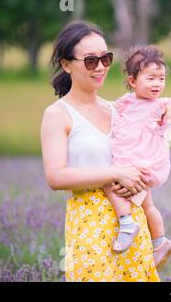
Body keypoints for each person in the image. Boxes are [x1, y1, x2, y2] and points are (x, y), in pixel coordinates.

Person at [40, 20, 159, 281]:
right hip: (89, 225)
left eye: (106, 58)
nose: (101, 67)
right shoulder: (58, 115)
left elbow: (140, 157)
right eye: (91, 61)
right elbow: (55, 177)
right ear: (66, 64)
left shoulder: (118, 110)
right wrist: (115, 173)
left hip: (131, 225)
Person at [104, 45, 171, 271]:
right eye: (151, 78)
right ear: (132, 81)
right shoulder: (126, 103)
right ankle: (160, 241)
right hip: (131, 161)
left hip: (144, 164)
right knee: (148, 204)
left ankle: (126, 223)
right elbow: (105, 110)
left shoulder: (160, 105)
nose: (157, 83)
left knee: (111, 184)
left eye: (161, 78)